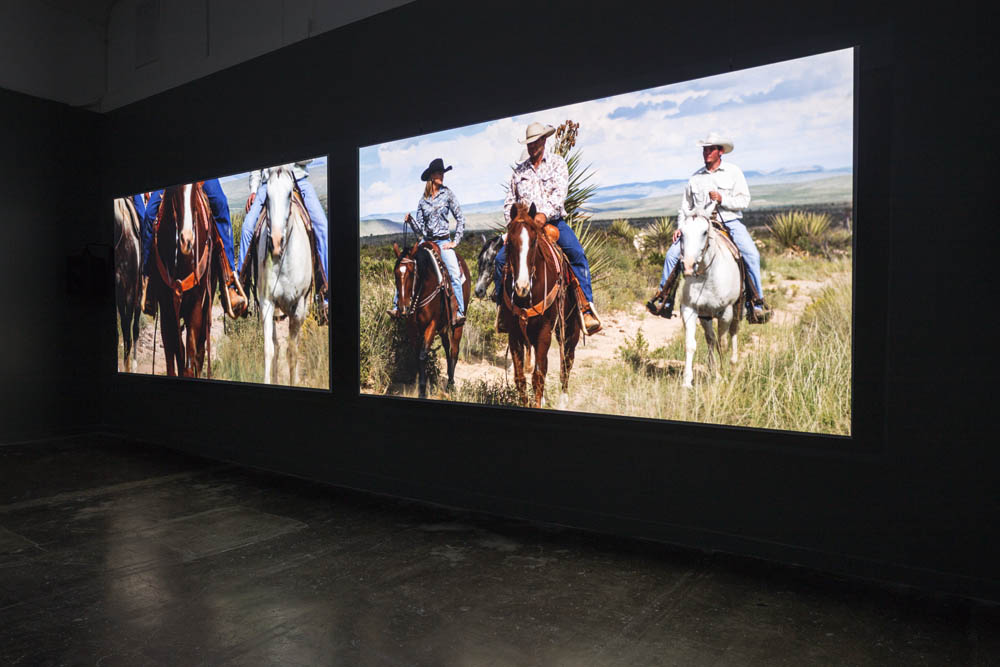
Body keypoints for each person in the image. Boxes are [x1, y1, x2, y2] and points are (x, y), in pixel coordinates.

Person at [647, 132, 770, 322]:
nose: (706, 153)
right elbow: (685, 208)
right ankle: (664, 299)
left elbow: (744, 200)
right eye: (705, 149)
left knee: (751, 254)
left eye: (710, 149)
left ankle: (756, 303)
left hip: (728, 221)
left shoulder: (733, 172)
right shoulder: (695, 178)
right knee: (672, 255)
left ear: (720, 151)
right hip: (698, 225)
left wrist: (723, 199)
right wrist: (681, 227)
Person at [495, 122, 602, 335]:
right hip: (524, 227)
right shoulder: (519, 171)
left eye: (536, 142)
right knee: (499, 260)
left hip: (552, 223)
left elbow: (559, 194)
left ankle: (585, 306)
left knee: (577, 254)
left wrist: (543, 215)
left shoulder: (557, 164)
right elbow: (509, 201)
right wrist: (514, 223)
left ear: (544, 140)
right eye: (529, 143)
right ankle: (503, 310)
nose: (532, 146)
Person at [139, 178, 247, 318]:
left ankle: (229, 283)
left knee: (221, 204)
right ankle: (148, 284)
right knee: (149, 215)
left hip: (203, 171)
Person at [387, 158, 467, 327]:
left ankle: (459, 311)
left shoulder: (448, 194)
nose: (442, 176)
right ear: (431, 176)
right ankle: (396, 306)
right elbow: (420, 230)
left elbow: (460, 218)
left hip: (443, 241)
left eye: (442, 173)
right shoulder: (423, 201)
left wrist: (455, 241)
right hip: (426, 242)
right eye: (439, 173)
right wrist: (411, 222)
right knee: (406, 267)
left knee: (453, 273)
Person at [238, 160, 329, 293]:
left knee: (322, 227)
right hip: (267, 184)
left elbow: (309, 158)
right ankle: (242, 287)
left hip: (297, 180)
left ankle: (325, 290)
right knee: (247, 227)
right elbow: (256, 167)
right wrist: (253, 190)